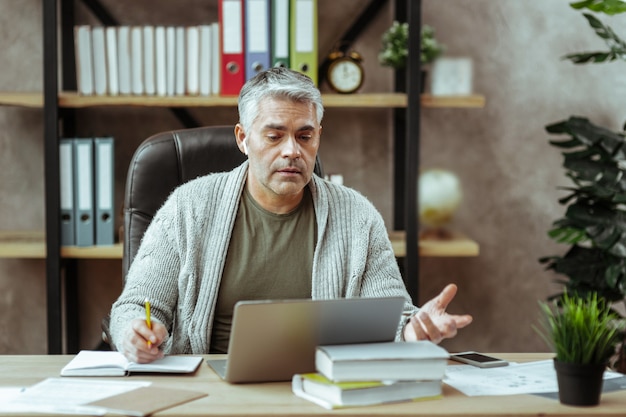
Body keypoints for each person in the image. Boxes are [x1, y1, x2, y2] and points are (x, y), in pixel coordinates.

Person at [109, 67, 472, 363]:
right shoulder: (188, 207)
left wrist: (414, 330)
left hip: (320, 391)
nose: (291, 151)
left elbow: (392, 317)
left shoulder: (358, 217)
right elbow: (137, 306)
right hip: (210, 394)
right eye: (274, 136)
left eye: (304, 136)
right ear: (243, 138)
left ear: (318, 138)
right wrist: (135, 334)